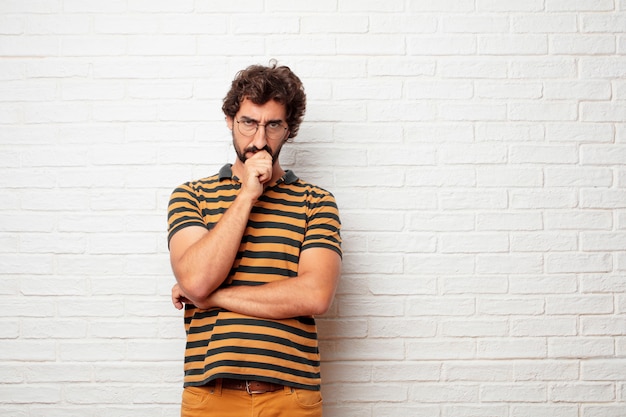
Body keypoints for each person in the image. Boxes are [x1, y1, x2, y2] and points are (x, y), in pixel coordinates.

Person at [167, 61, 342, 417]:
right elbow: (197, 278)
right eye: (248, 123)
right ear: (230, 120)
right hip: (211, 397)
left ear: (288, 129)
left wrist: (211, 297)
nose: (259, 140)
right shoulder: (191, 196)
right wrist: (247, 194)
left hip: (292, 396)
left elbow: (315, 295)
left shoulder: (317, 202)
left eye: (273, 125)